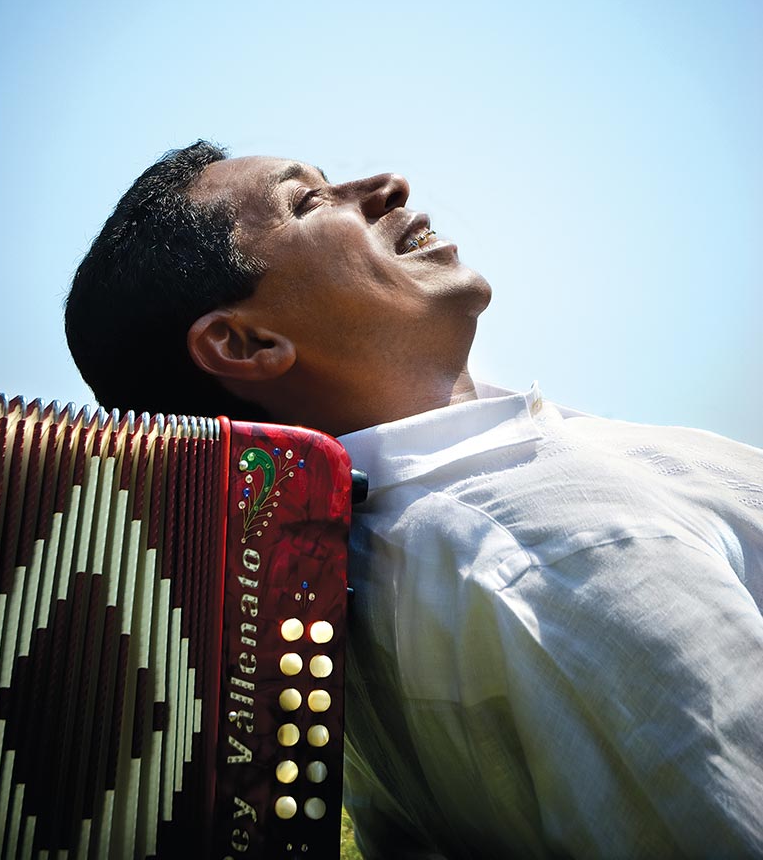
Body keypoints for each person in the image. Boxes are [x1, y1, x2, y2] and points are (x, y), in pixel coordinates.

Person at [65, 140, 763, 860]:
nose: (386, 185)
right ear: (245, 343)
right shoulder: (549, 547)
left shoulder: (328, 597)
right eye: (306, 201)